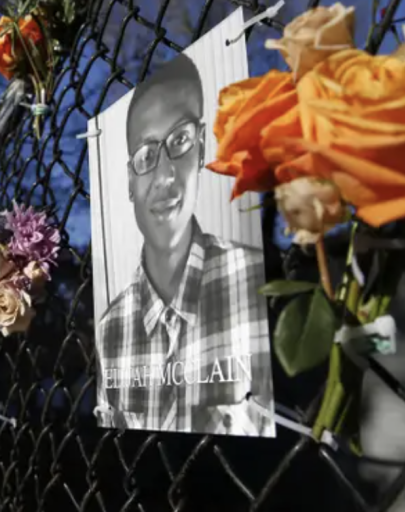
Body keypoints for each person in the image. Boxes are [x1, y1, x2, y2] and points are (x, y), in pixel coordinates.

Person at [95, 53, 274, 435]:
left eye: (180, 140)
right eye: (145, 155)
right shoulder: (110, 326)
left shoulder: (257, 280)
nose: (164, 176)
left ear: (202, 148)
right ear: (129, 179)